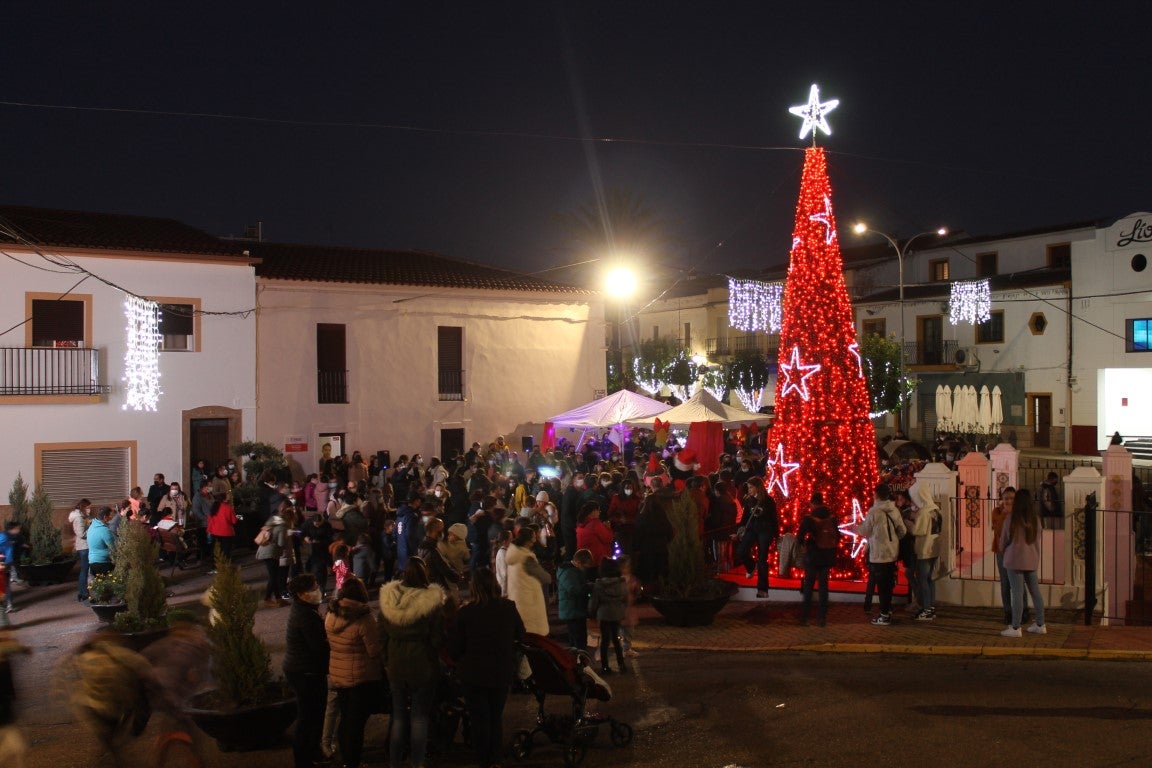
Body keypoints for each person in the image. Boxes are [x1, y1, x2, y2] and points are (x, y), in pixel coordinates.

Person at [449, 568, 526, 768]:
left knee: (479, 719)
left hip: (473, 674)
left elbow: (455, 648)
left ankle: (483, 758)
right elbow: (521, 635)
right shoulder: (508, 608)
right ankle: (495, 758)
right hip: (500, 671)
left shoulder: (465, 613)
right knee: (494, 717)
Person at [379, 557, 445, 768]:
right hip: (422, 664)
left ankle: (394, 762)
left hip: (396, 664)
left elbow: (382, 636)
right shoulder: (431, 601)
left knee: (398, 716)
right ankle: (417, 763)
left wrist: (386, 660)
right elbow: (436, 639)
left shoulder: (389, 600)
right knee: (419, 717)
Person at [325, 577, 383, 768]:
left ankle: (345, 758)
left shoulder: (331, 615)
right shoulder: (364, 619)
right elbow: (374, 650)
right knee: (356, 724)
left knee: (346, 717)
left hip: (338, 673)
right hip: (360, 676)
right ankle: (353, 761)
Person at [283, 573, 330, 768]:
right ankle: (303, 759)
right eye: (313, 587)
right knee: (307, 716)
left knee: (314, 713)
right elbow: (318, 647)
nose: (317, 589)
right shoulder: (305, 616)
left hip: (303, 670)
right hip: (304, 672)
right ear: (302, 594)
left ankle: (312, 751)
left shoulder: (305, 609)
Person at [850, 483, 906, 626]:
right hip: (892, 553)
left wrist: (854, 528)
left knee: (881, 585)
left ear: (876, 495)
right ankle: (887, 610)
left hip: (879, 554)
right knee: (888, 584)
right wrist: (892, 540)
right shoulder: (894, 510)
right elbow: (902, 531)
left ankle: (884, 614)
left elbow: (865, 531)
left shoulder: (874, 512)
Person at [999, 488, 1047, 637]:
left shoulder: (1012, 519)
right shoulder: (1035, 520)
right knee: (1035, 592)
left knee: (1017, 594)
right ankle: (1040, 623)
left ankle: (1015, 627)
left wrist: (1003, 550)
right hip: (1031, 560)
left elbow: (1004, 540)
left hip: (1014, 561)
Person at [797, 492, 839, 626]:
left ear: (812, 503)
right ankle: (822, 618)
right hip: (827, 556)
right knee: (823, 587)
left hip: (813, 556)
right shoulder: (832, 517)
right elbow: (837, 535)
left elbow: (800, 537)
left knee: (808, 586)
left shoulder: (809, 518)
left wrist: (805, 545)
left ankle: (804, 617)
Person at [505, 526, 552, 636]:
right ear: (529, 541)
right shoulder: (526, 558)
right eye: (535, 537)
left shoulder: (513, 554)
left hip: (517, 598)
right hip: (529, 602)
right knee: (532, 635)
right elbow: (546, 578)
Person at [991, 487, 1027, 625]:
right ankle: (1008, 612)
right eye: (1006, 498)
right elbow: (999, 530)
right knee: (1005, 583)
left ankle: (1023, 611)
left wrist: (1010, 514)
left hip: (1016, 553)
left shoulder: (1020, 513)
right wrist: (1005, 515)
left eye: (1011, 498)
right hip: (1001, 552)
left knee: (1018, 584)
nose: (1008, 501)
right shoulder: (997, 512)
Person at [738, 478, 779, 599]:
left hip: (765, 530)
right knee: (741, 551)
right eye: (748, 487)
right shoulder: (749, 500)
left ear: (758, 487)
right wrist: (740, 528)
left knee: (762, 559)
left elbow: (773, 518)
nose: (749, 490)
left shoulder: (768, 500)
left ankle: (762, 589)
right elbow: (745, 517)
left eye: (751, 487)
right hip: (752, 529)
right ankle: (751, 566)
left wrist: (776, 535)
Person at [589, 557, 628, 674]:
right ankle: (621, 664)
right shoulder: (621, 583)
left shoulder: (599, 585)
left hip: (604, 614)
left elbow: (594, 602)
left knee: (605, 640)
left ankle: (605, 666)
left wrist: (592, 613)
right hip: (617, 614)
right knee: (616, 639)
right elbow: (625, 600)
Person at [912, 483, 942, 621]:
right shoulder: (936, 509)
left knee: (923, 579)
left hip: (924, 549)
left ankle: (926, 609)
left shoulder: (924, 512)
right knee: (930, 579)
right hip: (934, 549)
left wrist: (909, 522)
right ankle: (930, 606)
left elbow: (918, 530)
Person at [557, 549, 592, 650]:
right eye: (585, 566)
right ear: (578, 562)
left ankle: (578, 662)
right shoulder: (569, 572)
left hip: (574, 610)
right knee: (579, 641)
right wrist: (589, 587)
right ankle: (580, 663)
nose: (585, 569)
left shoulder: (571, 571)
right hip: (572, 611)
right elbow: (574, 589)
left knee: (577, 640)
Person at [256, 505, 289, 608]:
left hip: (264, 550)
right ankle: (267, 598)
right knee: (273, 577)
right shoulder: (282, 526)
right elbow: (280, 543)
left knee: (274, 575)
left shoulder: (270, 522)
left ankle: (278, 598)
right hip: (271, 553)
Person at [575, 502, 614, 570]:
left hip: (585, 558)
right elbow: (608, 538)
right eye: (598, 510)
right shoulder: (595, 524)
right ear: (593, 511)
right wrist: (608, 528)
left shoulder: (581, 523)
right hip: (597, 558)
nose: (599, 512)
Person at [205, 492, 238, 567]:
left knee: (217, 550)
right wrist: (239, 517)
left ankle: (216, 566)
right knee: (226, 551)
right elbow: (234, 521)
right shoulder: (228, 508)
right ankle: (225, 566)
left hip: (215, 532)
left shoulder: (214, 507)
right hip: (226, 532)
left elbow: (210, 519)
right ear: (224, 499)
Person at [69, 499, 92, 602]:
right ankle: (83, 593)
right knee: (84, 570)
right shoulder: (79, 518)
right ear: (83, 507)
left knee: (85, 569)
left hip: (84, 546)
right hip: (84, 547)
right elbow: (81, 534)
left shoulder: (82, 517)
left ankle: (83, 592)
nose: (89, 510)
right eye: (88, 507)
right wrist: (91, 528)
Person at [86, 507, 116, 579]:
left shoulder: (92, 526)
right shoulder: (104, 530)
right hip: (103, 563)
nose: (112, 519)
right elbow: (114, 548)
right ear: (105, 517)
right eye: (111, 516)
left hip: (92, 562)